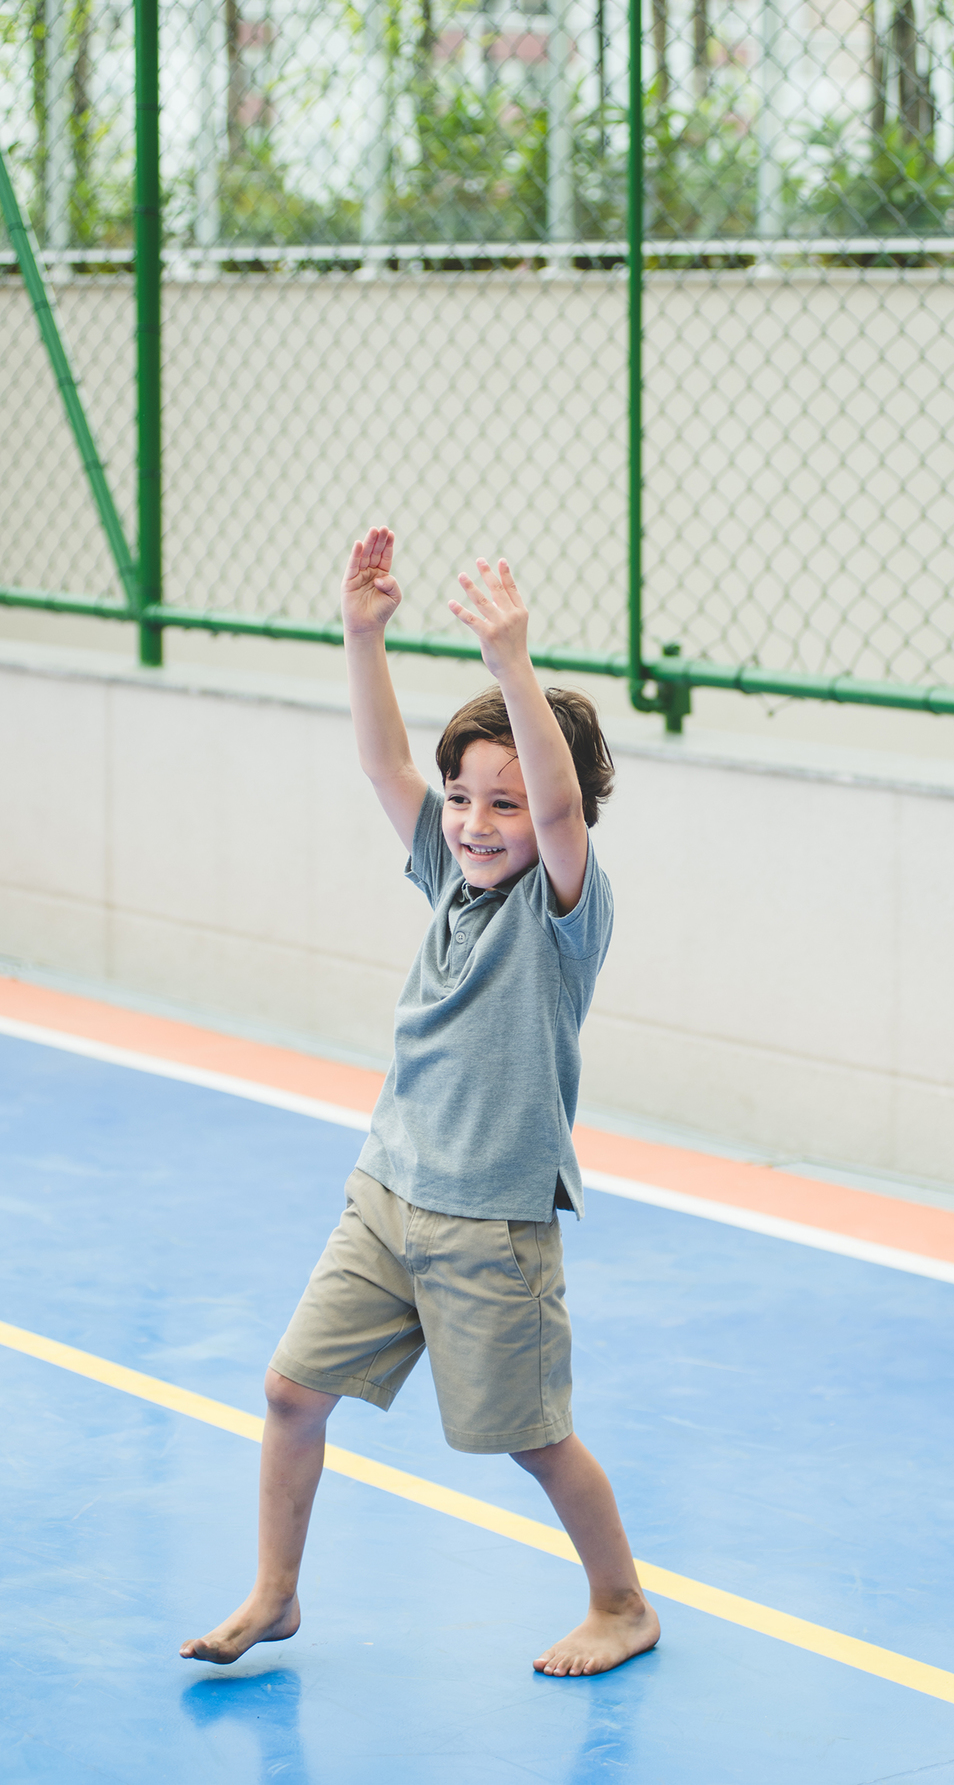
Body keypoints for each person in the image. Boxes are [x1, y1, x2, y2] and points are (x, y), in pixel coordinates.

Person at [180, 527, 660, 1678]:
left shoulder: (561, 908)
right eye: (462, 798)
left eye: (502, 802)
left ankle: (623, 1603)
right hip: (387, 1193)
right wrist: (362, 633)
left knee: (534, 1441)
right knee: (293, 1391)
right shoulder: (447, 872)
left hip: (490, 1225)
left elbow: (554, 814)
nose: (474, 821)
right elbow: (385, 764)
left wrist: (512, 666)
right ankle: (277, 1595)